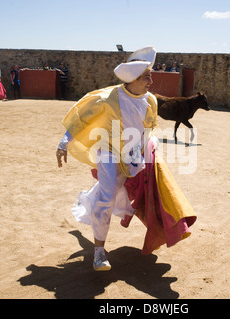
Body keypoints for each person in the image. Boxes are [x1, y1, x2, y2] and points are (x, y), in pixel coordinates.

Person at [56, 47, 196, 271]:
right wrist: (64, 142)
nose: (151, 80)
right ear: (133, 79)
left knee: (122, 192)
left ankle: (92, 199)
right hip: (108, 151)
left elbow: (147, 130)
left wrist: (148, 148)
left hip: (132, 155)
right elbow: (81, 118)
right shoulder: (107, 98)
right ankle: (99, 252)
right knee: (108, 195)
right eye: (147, 77)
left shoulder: (151, 101)